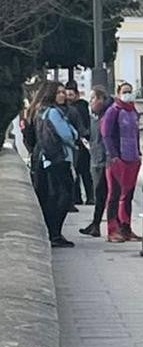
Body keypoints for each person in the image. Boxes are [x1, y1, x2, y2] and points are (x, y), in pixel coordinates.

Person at [31, 83, 78, 247]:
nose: (63, 95)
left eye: (63, 92)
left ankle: (54, 232)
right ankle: (55, 233)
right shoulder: (53, 112)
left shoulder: (41, 112)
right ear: (51, 94)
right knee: (63, 195)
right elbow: (67, 134)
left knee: (54, 195)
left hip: (48, 159)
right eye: (59, 92)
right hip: (58, 158)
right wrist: (74, 134)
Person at [102, 82, 143, 243]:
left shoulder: (133, 111)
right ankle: (112, 230)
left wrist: (138, 154)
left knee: (128, 195)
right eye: (125, 91)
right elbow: (106, 134)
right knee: (115, 195)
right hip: (118, 159)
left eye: (130, 91)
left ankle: (126, 228)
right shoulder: (113, 111)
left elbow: (136, 134)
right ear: (118, 93)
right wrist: (113, 156)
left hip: (132, 158)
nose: (128, 94)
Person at [79, 87, 113, 238]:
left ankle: (100, 224)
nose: (90, 102)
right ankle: (95, 223)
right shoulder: (96, 116)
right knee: (100, 194)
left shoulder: (107, 115)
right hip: (97, 157)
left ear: (101, 99)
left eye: (93, 98)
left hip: (103, 160)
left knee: (102, 194)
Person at [64, 80, 93, 207]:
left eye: (71, 95)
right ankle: (80, 197)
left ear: (76, 94)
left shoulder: (79, 107)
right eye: (67, 95)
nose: (69, 98)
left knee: (83, 172)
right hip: (78, 143)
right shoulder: (76, 108)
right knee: (78, 172)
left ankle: (86, 197)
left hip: (80, 143)